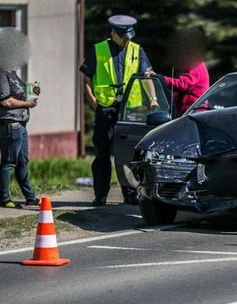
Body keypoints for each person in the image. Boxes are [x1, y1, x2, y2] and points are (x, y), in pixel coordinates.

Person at [80, 15, 157, 206]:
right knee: (102, 153)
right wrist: (93, 102)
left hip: (130, 109)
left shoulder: (137, 49)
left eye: (130, 36)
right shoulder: (98, 49)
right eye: (124, 36)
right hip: (106, 108)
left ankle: (130, 193)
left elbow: (148, 76)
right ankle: (101, 195)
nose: (128, 39)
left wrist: (153, 99)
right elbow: (87, 78)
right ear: (113, 33)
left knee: (128, 153)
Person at [0, 28, 40, 208]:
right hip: (10, 123)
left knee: (22, 161)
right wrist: (27, 104)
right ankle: (4, 199)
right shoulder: (0, 74)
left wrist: (31, 92)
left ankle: (29, 197)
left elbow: (17, 95)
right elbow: (6, 101)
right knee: (9, 162)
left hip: (20, 124)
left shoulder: (11, 72)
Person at [146, 29, 209, 116]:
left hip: (193, 113)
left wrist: (160, 78)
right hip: (188, 112)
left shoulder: (195, 64)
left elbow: (183, 84)